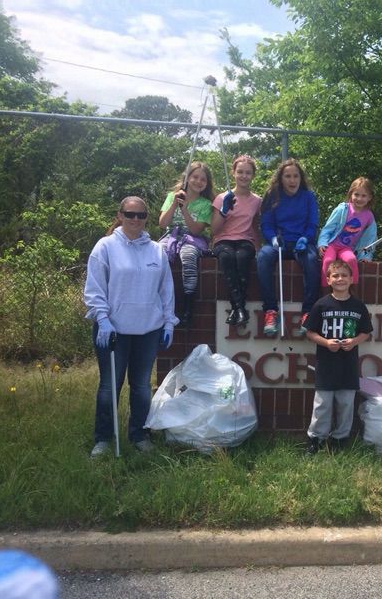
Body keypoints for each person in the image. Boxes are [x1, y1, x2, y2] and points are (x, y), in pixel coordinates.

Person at [84, 196, 178, 457]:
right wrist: (102, 318)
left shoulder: (156, 251)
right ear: (120, 215)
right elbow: (94, 288)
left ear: (147, 217)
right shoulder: (105, 247)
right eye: (129, 214)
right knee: (109, 386)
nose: (135, 219)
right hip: (112, 330)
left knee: (141, 386)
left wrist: (168, 321)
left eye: (140, 215)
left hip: (148, 330)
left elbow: (166, 290)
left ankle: (139, 434)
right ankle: (103, 439)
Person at [304, 260, 373, 454]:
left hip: (348, 366)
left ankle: (340, 439)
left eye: (344, 275)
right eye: (335, 275)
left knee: (345, 403)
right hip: (325, 365)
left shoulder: (358, 306)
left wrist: (353, 342)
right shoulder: (321, 305)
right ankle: (316, 439)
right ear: (328, 280)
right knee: (322, 404)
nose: (340, 279)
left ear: (352, 279)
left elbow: (366, 332)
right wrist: (326, 343)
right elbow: (310, 332)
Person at [256, 158, 320, 336]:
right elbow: (266, 224)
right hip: (279, 243)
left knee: (312, 261)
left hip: (302, 243)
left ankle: (308, 313)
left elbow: (312, 224)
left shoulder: (308, 197)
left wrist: (306, 239)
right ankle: (270, 311)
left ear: (301, 178)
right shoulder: (272, 196)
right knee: (262, 258)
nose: (292, 180)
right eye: (288, 176)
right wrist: (272, 239)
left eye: (296, 176)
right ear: (281, 178)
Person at [158, 162, 214, 327]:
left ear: (206, 183)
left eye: (203, 179)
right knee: (158, 254)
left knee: (188, 256)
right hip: (171, 235)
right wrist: (175, 203)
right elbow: (162, 223)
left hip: (192, 238)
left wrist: (184, 210)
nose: (198, 181)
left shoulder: (206, 204)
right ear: (187, 178)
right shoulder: (172, 196)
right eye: (195, 177)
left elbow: (196, 230)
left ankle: (188, 302)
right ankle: (158, 298)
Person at [211, 155, 262, 327]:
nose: (244, 176)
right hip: (223, 240)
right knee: (226, 257)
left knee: (241, 257)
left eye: (248, 173)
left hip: (244, 240)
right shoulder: (222, 198)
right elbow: (214, 230)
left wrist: (258, 246)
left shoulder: (257, 201)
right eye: (240, 172)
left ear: (253, 175)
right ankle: (240, 308)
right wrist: (224, 211)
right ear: (233, 173)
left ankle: (237, 309)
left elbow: (255, 226)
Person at [317, 176, 377, 287]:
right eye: (356, 195)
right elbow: (328, 227)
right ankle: (325, 291)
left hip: (347, 248)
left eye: (363, 195)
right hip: (332, 245)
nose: (359, 198)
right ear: (350, 194)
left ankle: (352, 291)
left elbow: (370, 238)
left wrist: (366, 256)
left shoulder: (369, 216)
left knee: (351, 260)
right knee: (328, 261)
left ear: (370, 197)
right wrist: (322, 243)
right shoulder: (342, 209)